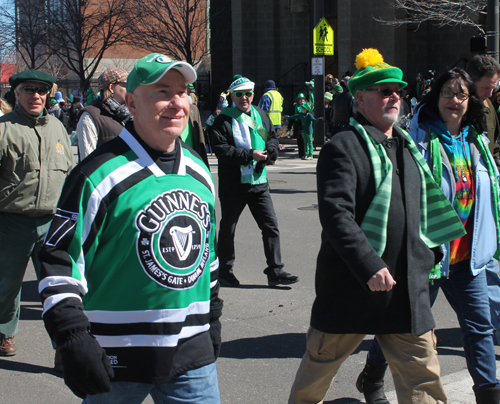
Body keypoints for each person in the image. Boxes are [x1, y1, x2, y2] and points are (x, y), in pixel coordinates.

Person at [38, 53, 223, 403]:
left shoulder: (199, 170)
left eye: (182, 92)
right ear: (133, 103)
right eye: (163, 91)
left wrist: (212, 316)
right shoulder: (97, 175)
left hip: (192, 356)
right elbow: (59, 260)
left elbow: (208, 255)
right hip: (116, 356)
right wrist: (72, 336)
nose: (176, 103)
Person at [288, 48, 465, 404]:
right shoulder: (344, 147)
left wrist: (430, 253)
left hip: (406, 291)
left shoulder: (407, 147)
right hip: (353, 287)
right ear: (361, 99)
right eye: (384, 91)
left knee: (424, 380)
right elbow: (337, 215)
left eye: (397, 90)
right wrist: (370, 265)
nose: (395, 96)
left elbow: (420, 209)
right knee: (316, 374)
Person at [362, 67, 500, 404]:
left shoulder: (478, 143)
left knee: (480, 329)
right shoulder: (417, 141)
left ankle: (488, 394)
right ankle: (372, 375)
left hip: (468, 256)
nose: (455, 101)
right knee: (404, 325)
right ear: (436, 97)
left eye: (461, 95)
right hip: (429, 256)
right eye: (448, 93)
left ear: (471, 101)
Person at [0, 69, 74, 357]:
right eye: (29, 89)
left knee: (58, 289)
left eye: (42, 90)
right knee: (6, 285)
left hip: (52, 224)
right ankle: (4, 333)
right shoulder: (4, 128)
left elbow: (69, 174)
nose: (36, 95)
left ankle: (65, 346)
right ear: (16, 93)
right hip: (11, 221)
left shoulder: (57, 128)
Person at [209, 76, 299, 287]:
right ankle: (225, 272)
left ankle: (275, 271)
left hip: (259, 183)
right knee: (228, 229)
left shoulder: (261, 114)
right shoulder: (222, 120)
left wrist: (272, 152)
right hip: (234, 185)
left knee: (271, 227)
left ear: (253, 94)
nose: (244, 98)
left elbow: (272, 138)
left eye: (248, 94)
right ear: (232, 96)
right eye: (239, 94)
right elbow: (221, 150)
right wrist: (250, 154)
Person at [77, 67, 130, 160]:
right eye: (126, 85)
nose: (130, 89)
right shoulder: (90, 116)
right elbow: (87, 160)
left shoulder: (131, 114)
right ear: (112, 88)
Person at [286, 93, 306, 159]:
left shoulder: (307, 106)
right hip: (297, 125)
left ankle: (305, 154)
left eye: (302, 99)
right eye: (300, 99)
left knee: (304, 140)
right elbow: (292, 118)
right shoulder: (295, 107)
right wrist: (289, 128)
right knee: (299, 140)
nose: (301, 100)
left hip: (304, 125)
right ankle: (301, 154)